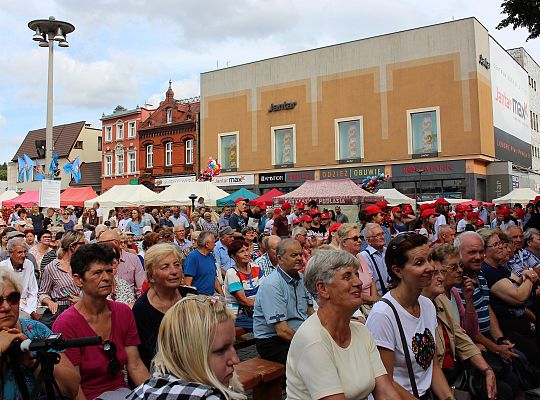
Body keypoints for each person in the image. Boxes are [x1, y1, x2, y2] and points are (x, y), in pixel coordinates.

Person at [287, 248, 400, 400]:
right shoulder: (313, 339)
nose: (359, 282)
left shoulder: (361, 331)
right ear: (323, 288)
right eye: (347, 277)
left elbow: (385, 392)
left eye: (356, 274)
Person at [52, 243, 149, 399]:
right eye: (97, 273)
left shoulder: (123, 312)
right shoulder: (66, 323)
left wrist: (154, 394)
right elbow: (74, 389)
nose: (106, 278)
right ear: (78, 280)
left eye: (109, 271)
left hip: (123, 393)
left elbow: (135, 365)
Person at [366, 232, 454, 400]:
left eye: (429, 259)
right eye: (420, 263)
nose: (430, 267)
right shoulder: (383, 315)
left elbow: (432, 366)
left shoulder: (427, 305)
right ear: (397, 271)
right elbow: (385, 381)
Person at [127, 295, 245, 400]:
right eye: (220, 350)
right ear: (185, 353)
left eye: (232, 346)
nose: (235, 359)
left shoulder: (144, 390)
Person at [422, 249, 497, 400]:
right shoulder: (417, 308)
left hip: (455, 368)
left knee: (503, 377)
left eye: (440, 272)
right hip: (438, 378)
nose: (440, 278)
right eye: (435, 273)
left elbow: (462, 335)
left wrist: (487, 370)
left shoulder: (444, 297)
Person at [0, 268, 80, 399]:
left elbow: (71, 389)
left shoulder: (38, 330)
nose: (7, 307)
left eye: (13, 298)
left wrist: (34, 363)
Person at [479, 228, 540, 367]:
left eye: (501, 243)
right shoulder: (488, 271)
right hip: (506, 326)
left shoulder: (500, 268)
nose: (501, 246)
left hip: (518, 320)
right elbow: (519, 296)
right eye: (495, 244)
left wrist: (526, 276)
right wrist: (530, 275)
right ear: (484, 250)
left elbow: (519, 280)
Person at [132, 243, 197, 369]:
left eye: (177, 265)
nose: (174, 271)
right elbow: (146, 356)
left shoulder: (191, 296)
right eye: (165, 267)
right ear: (151, 276)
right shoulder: (142, 309)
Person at [253, 239, 314, 365]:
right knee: (312, 359)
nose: (299, 258)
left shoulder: (301, 279)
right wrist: (311, 344)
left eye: (300, 254)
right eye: (293, 255)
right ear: (280, 258)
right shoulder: (272, 285)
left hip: (298, 334)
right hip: (272, 341)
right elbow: (282, 331)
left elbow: (311, 313)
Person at [38, 230, 85, 327]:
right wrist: (50, 302)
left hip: (83, 310)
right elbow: (42, 293)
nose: (85, 247)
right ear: (72, 246)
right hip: (62, 312)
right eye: (82, 244)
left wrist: (81, 300)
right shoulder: (52, 267)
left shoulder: (85, 265)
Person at [224, 240, 264, 331]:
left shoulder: (256, 268)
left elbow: (264, 291)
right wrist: (264, 306)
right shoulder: (232, 273)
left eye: (247, 250)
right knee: (264, 325)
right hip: (237, 314)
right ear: (233, 256)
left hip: (254, 310)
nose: (246, 254)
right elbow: (243, 301)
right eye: (242, 251)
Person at [338, 223, 380, 309]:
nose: (360, 241)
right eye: (355, 238)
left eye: (360, 237)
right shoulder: (340, 262)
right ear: (344, 242)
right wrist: (372, 299)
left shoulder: (360, 256)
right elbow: (347, 291)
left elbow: (371, 280)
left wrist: (375, 299)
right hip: (356, 307)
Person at [98, 229, 145, 298]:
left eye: (102, 243)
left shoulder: (133, 259)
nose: (99, 246)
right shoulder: (97, 261)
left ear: (116, 242)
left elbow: (140, 289)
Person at [0, 237, 39, 320]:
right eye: (20, 252)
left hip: (29, 304)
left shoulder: (29, 264)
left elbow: (33, 290)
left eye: (25, 252)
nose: (23, 255)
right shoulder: (3, 267)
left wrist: (31, 309)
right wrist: (29, 312)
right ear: (10, 253)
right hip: (10, 304)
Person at [184, 231, 224, 296]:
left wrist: (222, 296)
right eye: (213, 242)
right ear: (207, 244)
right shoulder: (193, 257)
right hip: (198, 299)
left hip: (211, 298)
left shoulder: (210, 256)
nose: (215, 244)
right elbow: (187, 284)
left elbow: (214, 278)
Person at [359, 223, 390, 296]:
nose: (382, 237)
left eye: (383, 234)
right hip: (378, 298)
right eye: (377, 235)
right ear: (368, 241)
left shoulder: (388, 251)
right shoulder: (364, 256)